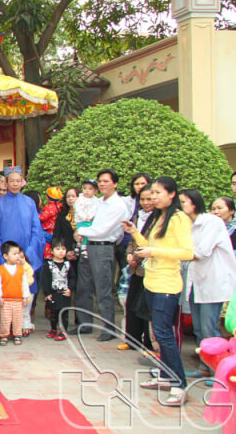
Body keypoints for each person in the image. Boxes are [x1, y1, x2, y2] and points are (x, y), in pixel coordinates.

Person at [124, 176, 193, 406]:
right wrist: (135, 232)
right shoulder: (158, 216)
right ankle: (164, 376)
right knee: (159, 333)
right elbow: (149, 246)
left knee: (164, 334)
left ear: (171, 194)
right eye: (151, 193)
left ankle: (179, 384)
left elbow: (186, 252)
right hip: (151, 282)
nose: (153, 197)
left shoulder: (179, 218)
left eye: (157, 193)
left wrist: (154, 252)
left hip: (167, 283)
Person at [180, 188, 236, 378]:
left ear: (194, 203)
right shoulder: (191, 223)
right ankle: (205, 367)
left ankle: (219, 372)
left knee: (209, 328)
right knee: (198, 328)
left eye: (183, 202)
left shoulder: (211, 222)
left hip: (213, 282)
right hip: (198, 282)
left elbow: (201, 252)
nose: (180, 207)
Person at [73, 169, 129, 341]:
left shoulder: (118, 205)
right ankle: (84, 324)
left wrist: (81, 230)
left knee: (103, 289)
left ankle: (108, 328)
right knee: (83, 287)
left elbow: (103, 229)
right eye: (100, 181)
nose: (102, 184)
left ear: (115, 184)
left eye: (106, 181)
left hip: (103, 247)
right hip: (88, 245)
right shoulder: (98, 202)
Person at [0, 167, 44, 306]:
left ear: (23, 183)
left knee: (25, 289)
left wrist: (28, 253)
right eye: (12, 181)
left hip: (25, 254)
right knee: (5, 290)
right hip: (5, 254)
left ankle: (24, 321)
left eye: (18, 181)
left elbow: (36, 230)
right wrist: (3, 253)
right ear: (6, 183)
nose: (15, 184)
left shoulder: (29, 203)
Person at [118, 184, 155, 352]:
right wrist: (129, 254)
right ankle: (132, 340)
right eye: (143, 199)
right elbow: (132, 239)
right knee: (132, 303)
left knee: (145, 307)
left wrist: (138, 258)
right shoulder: (137, 216)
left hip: (148, 267)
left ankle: (148, 343)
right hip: (134, 267)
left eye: (149, 199)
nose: (146, 202)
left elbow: (152, 243)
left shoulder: (159, 218)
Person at [0, 241, 29, 346]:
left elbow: (25, 284)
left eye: (18, 253)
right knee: (5, 318)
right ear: (5, 256)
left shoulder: (21, 270)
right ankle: (4, 335)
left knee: (18, 318)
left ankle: (17, 334)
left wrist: (25, 296)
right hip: (6, 300)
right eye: (14, 254)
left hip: (18, 299)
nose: (17, 256)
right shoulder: (0, 270)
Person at [41, 238, 76, 341]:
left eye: (63, 249)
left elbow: (72, 277)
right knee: (53, 313)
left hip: (64, 293)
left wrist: (70, 289)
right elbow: (45, 279)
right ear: (51, 251)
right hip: (53, 293)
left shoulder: (68, 264)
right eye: (57, 249)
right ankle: (53, 329)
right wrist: (47, 293)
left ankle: (63, 331)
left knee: (64, 313)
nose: (61, 251)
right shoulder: (49, 265)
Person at [74, 179, 99, 258]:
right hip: (81, 221)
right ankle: (80, 247)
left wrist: (91, 217)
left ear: (95, 191)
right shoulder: (80, 199)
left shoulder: (96, 200)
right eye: (85, 188)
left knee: (88, 234)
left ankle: (84, 247)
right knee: (81, 233)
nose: (87, 191)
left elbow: (95, 210)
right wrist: (84, 217)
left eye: (90, 189)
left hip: (90, 221)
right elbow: (78, 210)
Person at [53, 187, 79, 260]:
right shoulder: (62, 215)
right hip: (66, 252)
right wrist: (65, 251)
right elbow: (57, 235)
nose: (70, 199)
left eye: (73, 196)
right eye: (68, 196)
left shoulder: (86, 214)